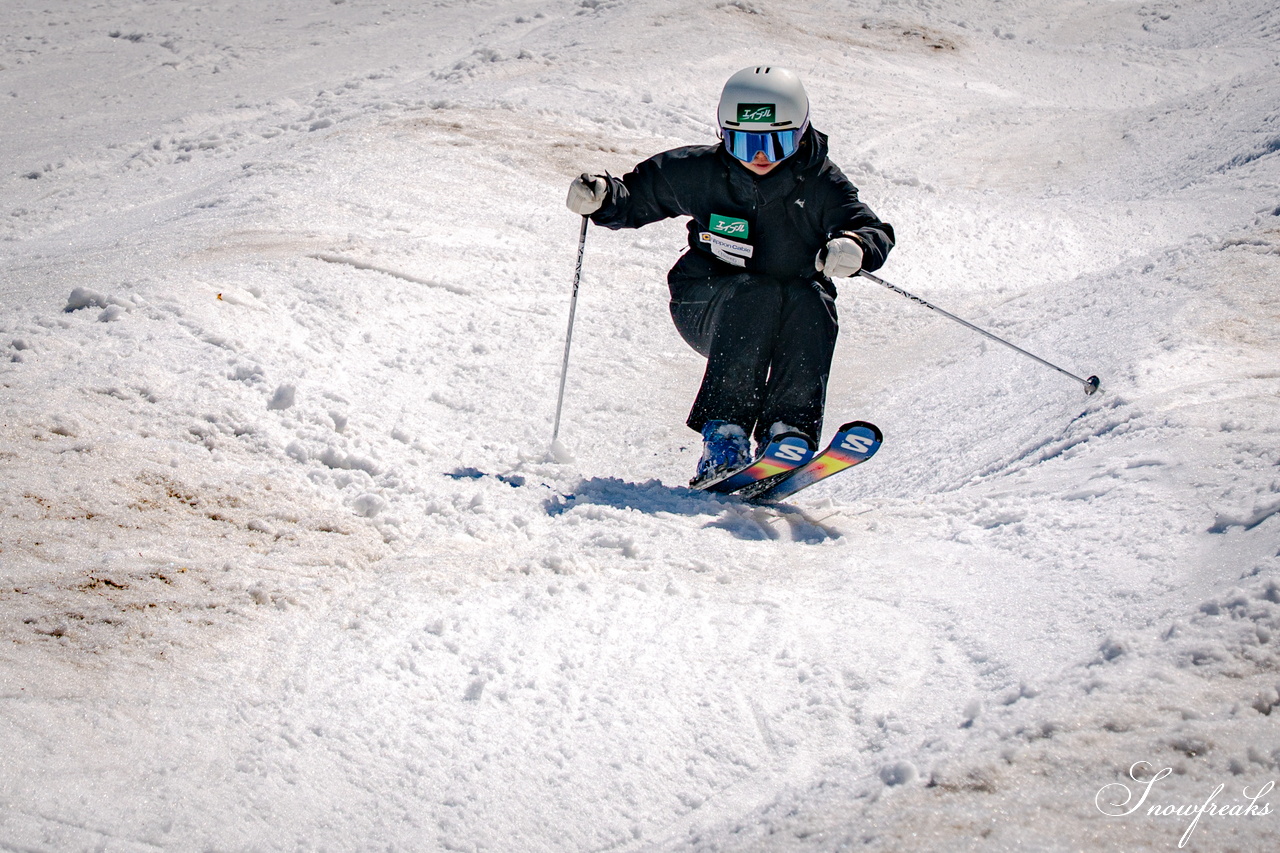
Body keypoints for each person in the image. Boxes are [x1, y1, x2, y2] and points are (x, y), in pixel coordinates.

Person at [566, 65, 894, 483]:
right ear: (724, 134)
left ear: (802, 132)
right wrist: (603, 196)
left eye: (777, 143)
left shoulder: (819, 183)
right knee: (753, 293)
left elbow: (868, 228)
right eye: (743, 141)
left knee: (813, 301)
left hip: (788, 313)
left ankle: (788, 434)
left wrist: (856, 246)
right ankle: (725, 438)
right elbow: (636, 197)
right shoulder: (701, 172)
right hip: (706, 303)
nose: (759, 156)